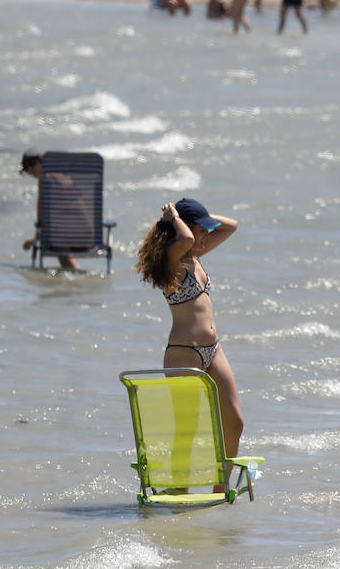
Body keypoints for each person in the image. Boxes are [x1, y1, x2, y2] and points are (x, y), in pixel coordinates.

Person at [135, 199, 243, 477]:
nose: (207, 235)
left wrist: (201, 216)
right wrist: (173, 218)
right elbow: (185, 237)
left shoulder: (196, 255)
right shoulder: (172, 258)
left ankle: (221, 486)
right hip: (184, 352)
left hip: (213, 350)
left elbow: (231, 226)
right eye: (202, 229)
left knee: (235, 422)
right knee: (188, 429)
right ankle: (179, 492)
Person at [18, 149, 78, 269]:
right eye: (26, 168)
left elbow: (50, 218)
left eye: (31, 164)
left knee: (59, 246)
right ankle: (74, 283)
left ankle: (75, 282)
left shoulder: (46, 180)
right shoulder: (64, 176)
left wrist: (36, 238)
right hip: (88, 234)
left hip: (68, 234)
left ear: (41, 160)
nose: (30, 170)